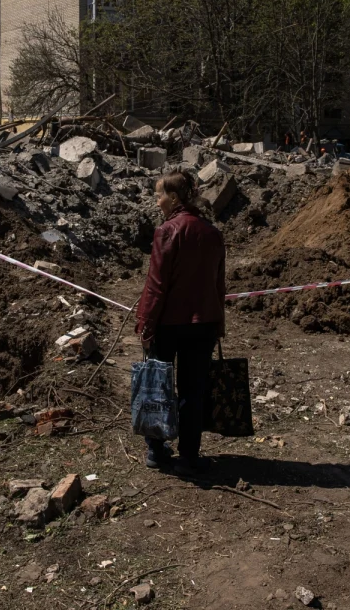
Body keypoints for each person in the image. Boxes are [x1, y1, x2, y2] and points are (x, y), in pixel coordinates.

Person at [136, 169, 226, 476]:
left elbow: (156, 286)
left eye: (159, 194)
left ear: (174, 198)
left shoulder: (166, 232)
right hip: (203, 325)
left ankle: (156, 450)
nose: (156, 200)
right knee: (193, 390)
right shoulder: (212, 233)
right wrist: (220, 323)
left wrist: (145, 323)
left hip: (169, 325)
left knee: (159, 386)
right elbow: (218, 285)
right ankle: (189, 455)